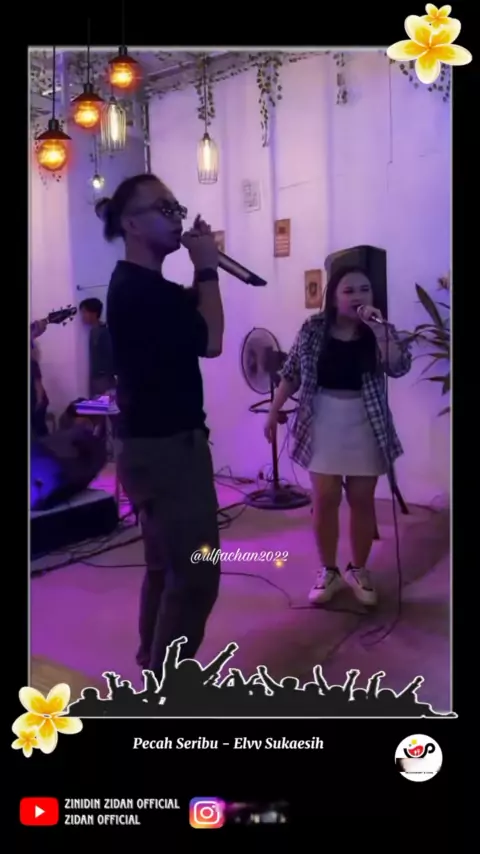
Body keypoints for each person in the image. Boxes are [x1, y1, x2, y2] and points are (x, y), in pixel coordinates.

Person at [103, 173, 224, 676]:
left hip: (151, 446)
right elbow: (212, 339)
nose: (175, 218)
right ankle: (166, 688)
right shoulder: (139, 292)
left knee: (164, 566)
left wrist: (203, 271)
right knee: (197, 572)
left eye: (177, 208)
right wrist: (208, 269)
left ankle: (151, 665)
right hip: (168, 450)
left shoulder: (143, 286)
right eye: (163, 209)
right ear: (131, 224)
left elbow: (190, 319)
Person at [265, 266, 412, 607]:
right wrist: (273, 411)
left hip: (366, 420)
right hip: (322, 419)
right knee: (326, 497)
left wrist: (380, 330)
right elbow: (291, 373)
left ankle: (358, 570)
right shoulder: (313, 328)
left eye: (364, 289)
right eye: (348, 291)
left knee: (362, 499)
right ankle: (328, 571)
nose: (357, 296)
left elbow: (399, 367)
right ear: (333, 298)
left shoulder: (379, 330)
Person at [78, 298, 115, 398]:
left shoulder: (104, 332)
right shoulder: (92, 331)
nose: (83, 316)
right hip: (95, 378)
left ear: (94, 313)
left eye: (85, 312)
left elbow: (110, 356)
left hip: (103, 379)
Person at [30, 318, 49, 438]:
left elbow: (35, 370)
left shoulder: (33, 346)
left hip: (35, 396)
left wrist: (39, 396)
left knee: (38, 431)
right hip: (35, 395)